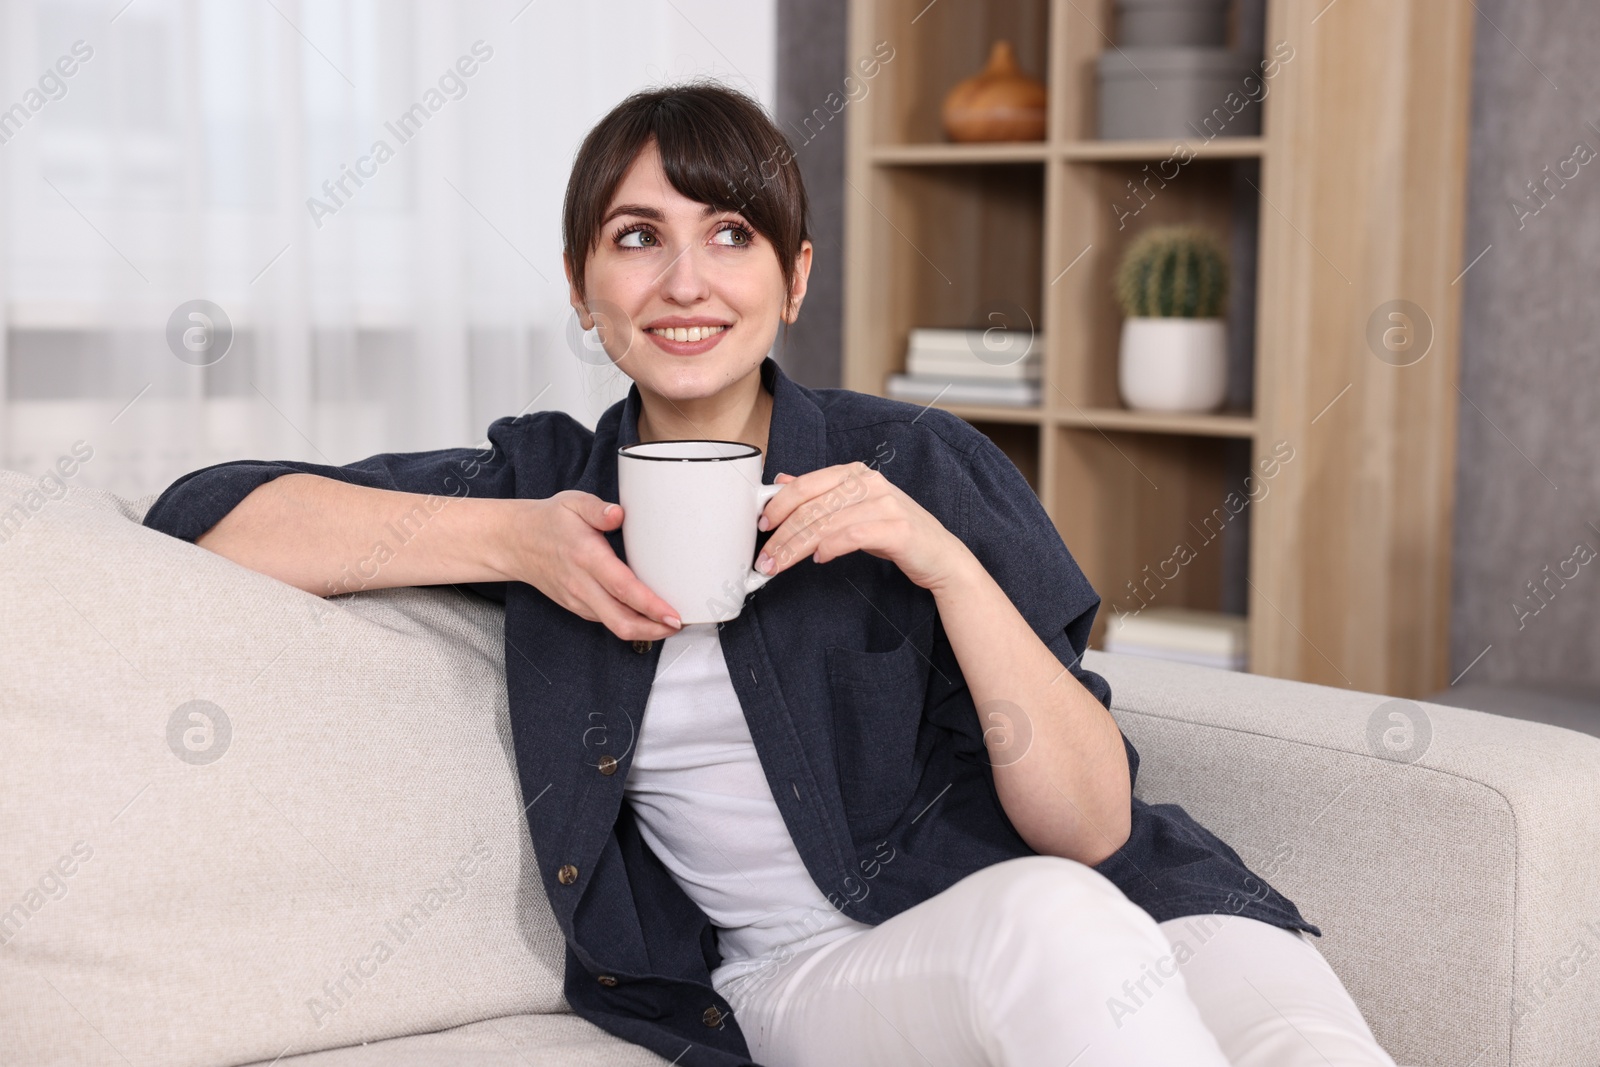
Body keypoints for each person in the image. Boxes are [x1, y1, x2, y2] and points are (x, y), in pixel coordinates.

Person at [141, 83, 1397, 1067]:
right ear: (583, 288)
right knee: (1049, 925)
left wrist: (943, 563)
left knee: (1297, 1038)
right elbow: (213, 518)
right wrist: (515, 539)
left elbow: (1091, 830)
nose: (685, 282)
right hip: (812, 971)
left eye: (730, 235)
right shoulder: (542, 480)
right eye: (638, 238)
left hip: (1126, 894)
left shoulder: (909, 459)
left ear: (792, 278)